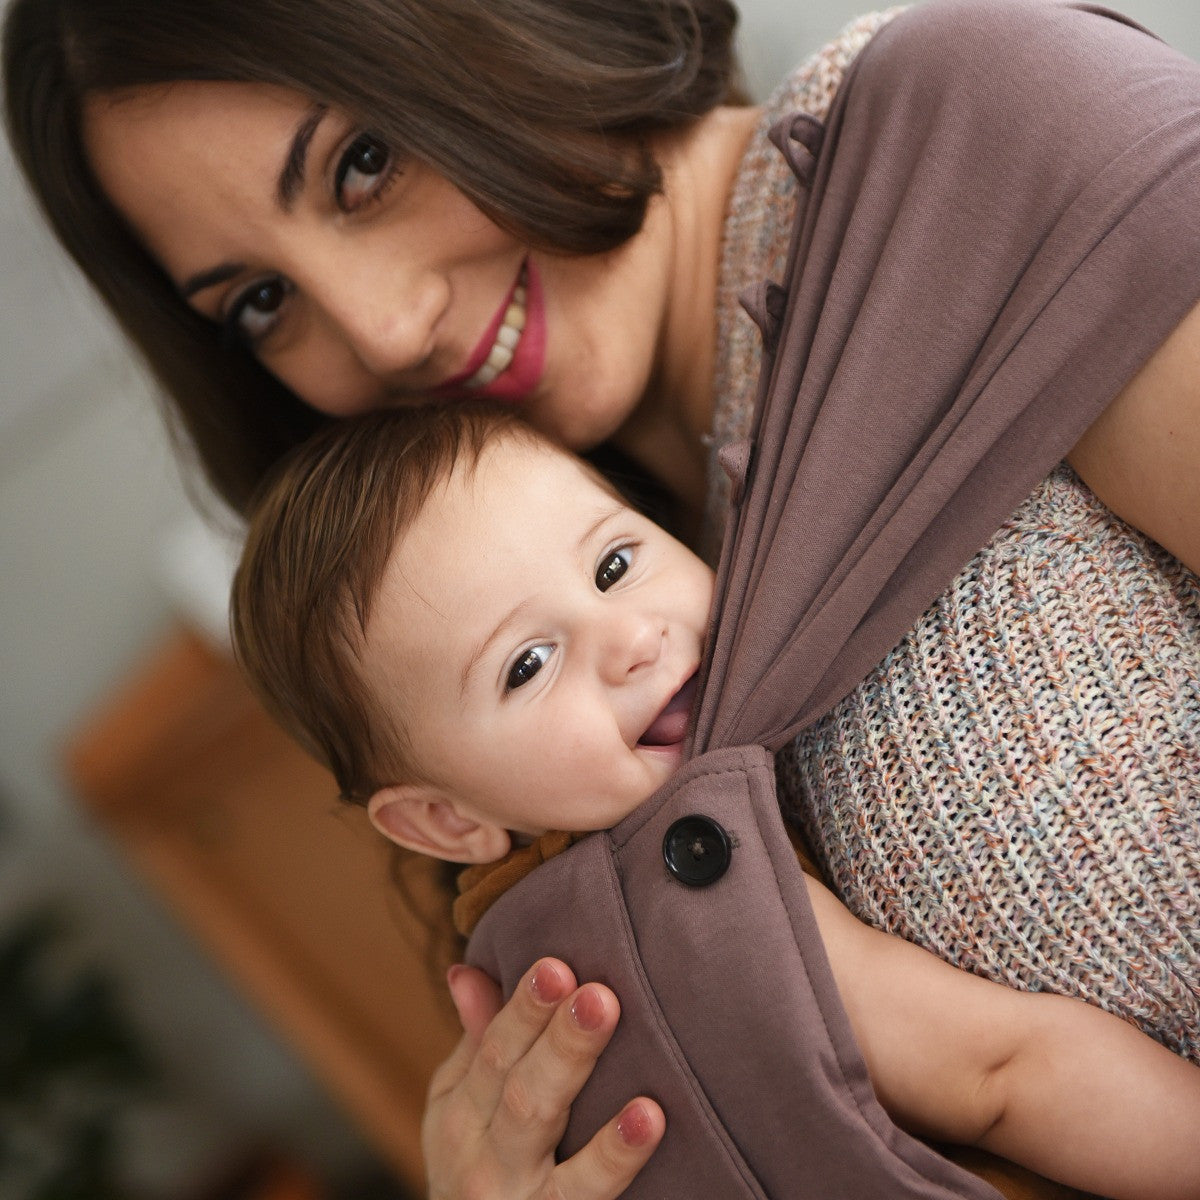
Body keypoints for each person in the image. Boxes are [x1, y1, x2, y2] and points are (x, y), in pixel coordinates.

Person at [4, 0, 1198, 1196]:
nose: (382, 330)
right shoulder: (495, 675)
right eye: (259, 302)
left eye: (364, 163)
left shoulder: (972, 146)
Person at [228, 401, 1200, 1200]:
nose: (632, 639)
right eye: (527, 664)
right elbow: (1004, 1075)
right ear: (447, 822)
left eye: (614, 565)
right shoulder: (681, 902)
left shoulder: (523, 967)